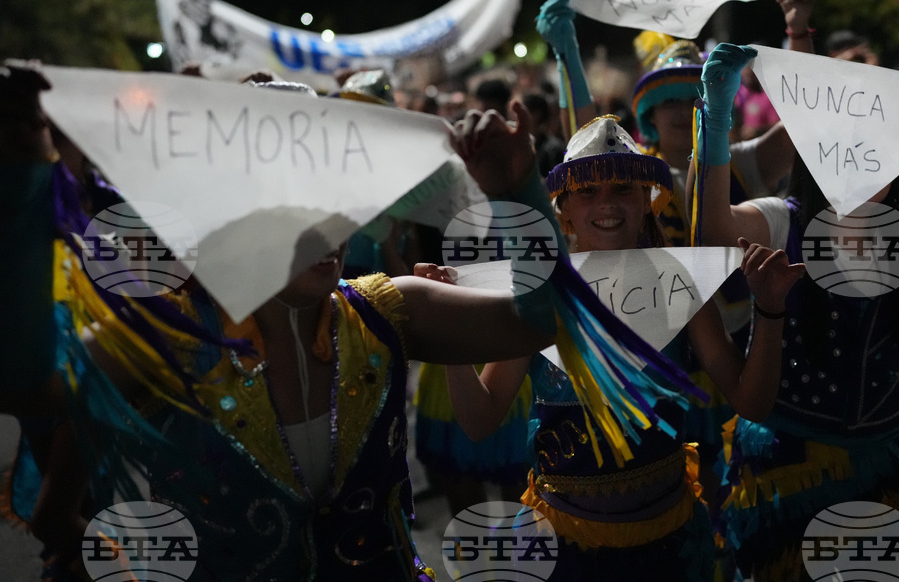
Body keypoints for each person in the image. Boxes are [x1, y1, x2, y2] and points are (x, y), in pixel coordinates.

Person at [1, 64, 654, 581]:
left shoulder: (389, 308)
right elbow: (33, 395)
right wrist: (27, 177)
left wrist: (520, 197)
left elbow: (543, 323)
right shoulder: (164, 338)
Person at [425, 107, 804, 581]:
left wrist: (770, 311)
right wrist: (444, 340)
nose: (607, 204)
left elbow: (751, 401)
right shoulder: (538, 292)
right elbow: (480, 419)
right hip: (566, 550)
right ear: (561, 208)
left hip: (670, 545)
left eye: (622, 188)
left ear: (648, 200)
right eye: (587, 191)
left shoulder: (678, 281)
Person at [691, 44, 899, 581]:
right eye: (846, 149)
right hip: (792, 471)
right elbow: (714, 230)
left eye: (880, 151)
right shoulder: (785, 223)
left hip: (888, 467)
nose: (864, 165)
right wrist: (715, 118)